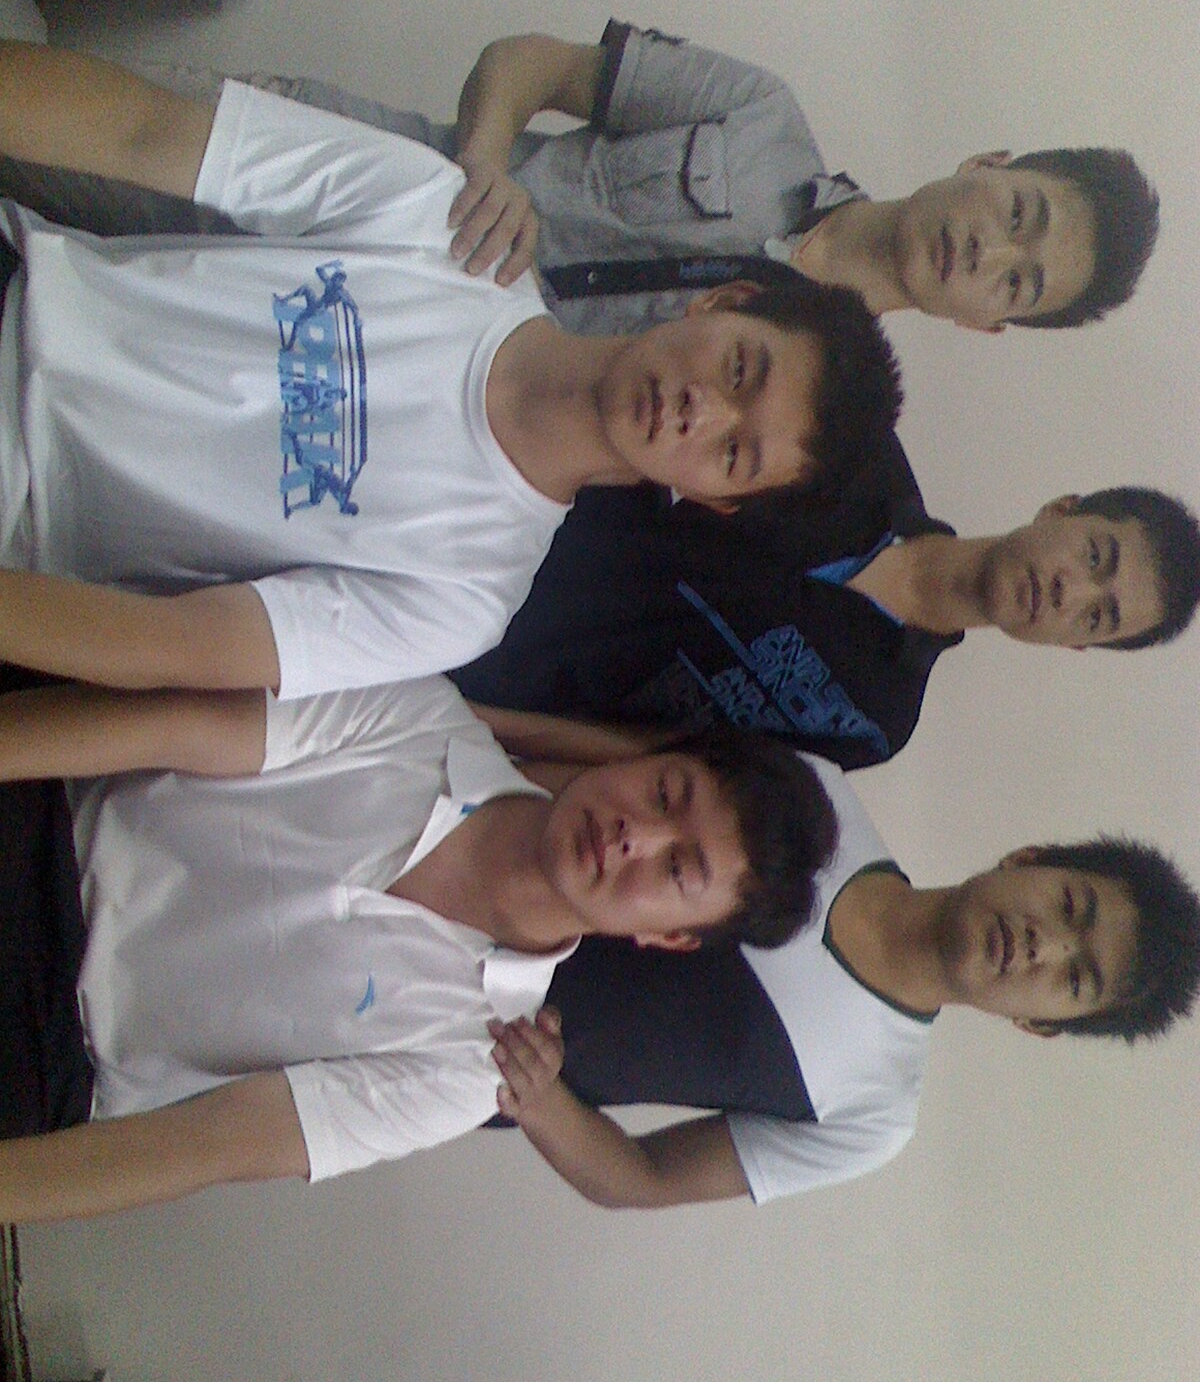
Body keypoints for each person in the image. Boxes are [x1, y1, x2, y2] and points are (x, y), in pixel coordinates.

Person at [0, 41, 902, 703]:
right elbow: (141, 130)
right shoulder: (441, 218)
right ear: (723, 301)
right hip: (19, 288)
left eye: (735, 453)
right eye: (741, 370)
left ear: (713, 499)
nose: (701, 412)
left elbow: (175, 645)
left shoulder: (467, 599)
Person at [0, 669, 837, 1221]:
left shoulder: (467, 1068)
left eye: (677, 868)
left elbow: (202, 1146)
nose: (634, 836)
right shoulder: (419, 718)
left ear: (667, 935)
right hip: (43, 833)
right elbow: (165, 728)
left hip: (50, 1054)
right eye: (665, 793)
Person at [0, 22, 1159, 334]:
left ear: (987, 324)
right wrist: (485, 159)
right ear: (988, 164)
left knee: (42, 321)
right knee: (51, 150)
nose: (990, 251)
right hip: (342, 173)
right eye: (1020, 214)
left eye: (1018, 281)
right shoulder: (763, 116)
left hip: (352, 349)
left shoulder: (798, 392)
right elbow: (533, 64)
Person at [486, 772, 1200, 1209]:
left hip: (458, 1054)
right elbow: (597, 774)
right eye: (1070, 907)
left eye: (1075, 980)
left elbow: (642, 1179)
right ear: (1028, 859)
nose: (1047, 945)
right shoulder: (817, 802)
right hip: (464, 874)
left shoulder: (875, 1113)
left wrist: (541, 1098)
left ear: (1040, 1025)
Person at [454, 471, 1200, 768]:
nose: (1070, 592)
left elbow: (657, 760)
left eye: (1097, 616)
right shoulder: (855, 453)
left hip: (475, 694)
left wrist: (478, 727)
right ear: (1062, 509)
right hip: (480, 528)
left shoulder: (876, 723)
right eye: (1095, 556)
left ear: (1073, 646)